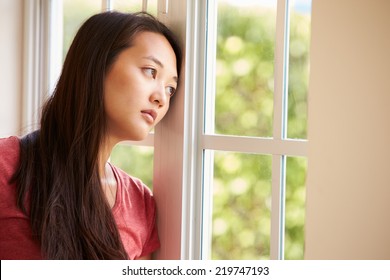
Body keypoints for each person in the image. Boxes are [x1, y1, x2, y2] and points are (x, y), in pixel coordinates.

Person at [0, 11, 182, 260]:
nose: (161, 97)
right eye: (150, 71)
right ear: (96, 65)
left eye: (171, 88)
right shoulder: (6, 166)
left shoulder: (140, 204)